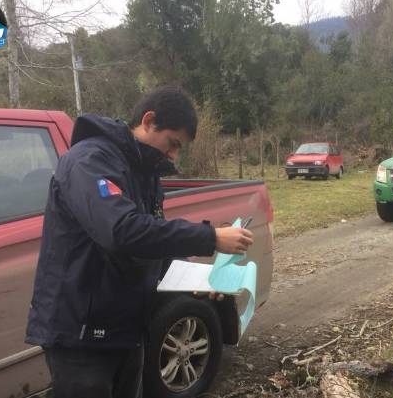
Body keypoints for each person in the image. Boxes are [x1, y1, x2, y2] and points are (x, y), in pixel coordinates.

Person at [25, 86, 253, 398]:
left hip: (127, 327)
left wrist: (197, 277)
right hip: (81, 335)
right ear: (148, 121)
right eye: (172, 143)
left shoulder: (143, 173)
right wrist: (209, 237)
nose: (173, 155)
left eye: (178, 149)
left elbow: (152, 238)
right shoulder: (88, 162)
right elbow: (123, 232)